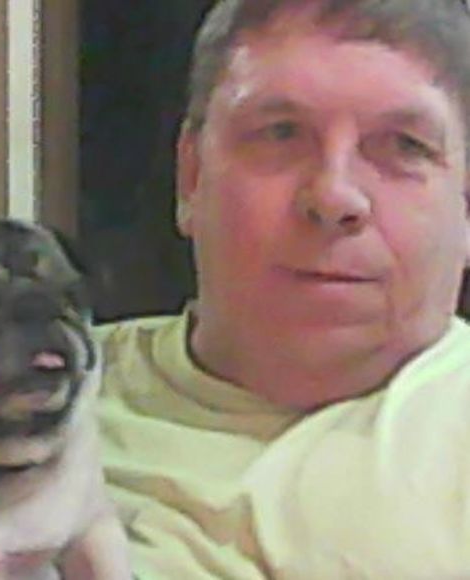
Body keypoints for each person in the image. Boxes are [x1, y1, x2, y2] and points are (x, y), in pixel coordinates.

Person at [96, 0, 470, 578]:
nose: (334, 195)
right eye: (280, 133)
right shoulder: (15, 400)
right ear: (191, 178)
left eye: (404, 146)